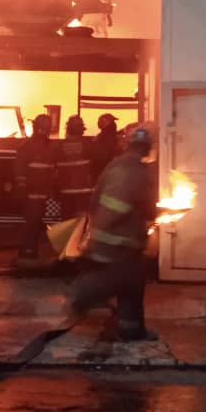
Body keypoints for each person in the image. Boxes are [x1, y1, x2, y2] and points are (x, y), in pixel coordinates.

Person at [67, 127, 158, 342]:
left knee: (133, 285)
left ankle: (131, 329)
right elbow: (113, 208)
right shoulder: (131, 172)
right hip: (117, 243)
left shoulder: (122, 165)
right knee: (122, 281)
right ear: (147, 148)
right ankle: (82, 296)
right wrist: (95, 240)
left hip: (121, 243)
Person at [14, 113, 58, 267]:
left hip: (41, 195)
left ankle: (30, 252)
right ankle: (27, 253)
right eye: (46, 127)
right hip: (32, 195)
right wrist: (22, 190)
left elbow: (51, 170)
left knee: (36, 223)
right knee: (31, 224)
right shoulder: (28, 147)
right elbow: (20, 171)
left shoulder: (48, 147)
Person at [56, 114, 93, 220]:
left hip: (66, 193)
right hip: (83, 194)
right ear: (82, 129)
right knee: (81, 226)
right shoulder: (88, 145)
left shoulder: (58, 147)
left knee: (67, 225)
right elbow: (103, 156)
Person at [90, 112, 122, 180]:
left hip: (101, 170)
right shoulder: (109, 137)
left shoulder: (101, 136)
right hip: (106, 170)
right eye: (112, 122)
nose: (115, 124)